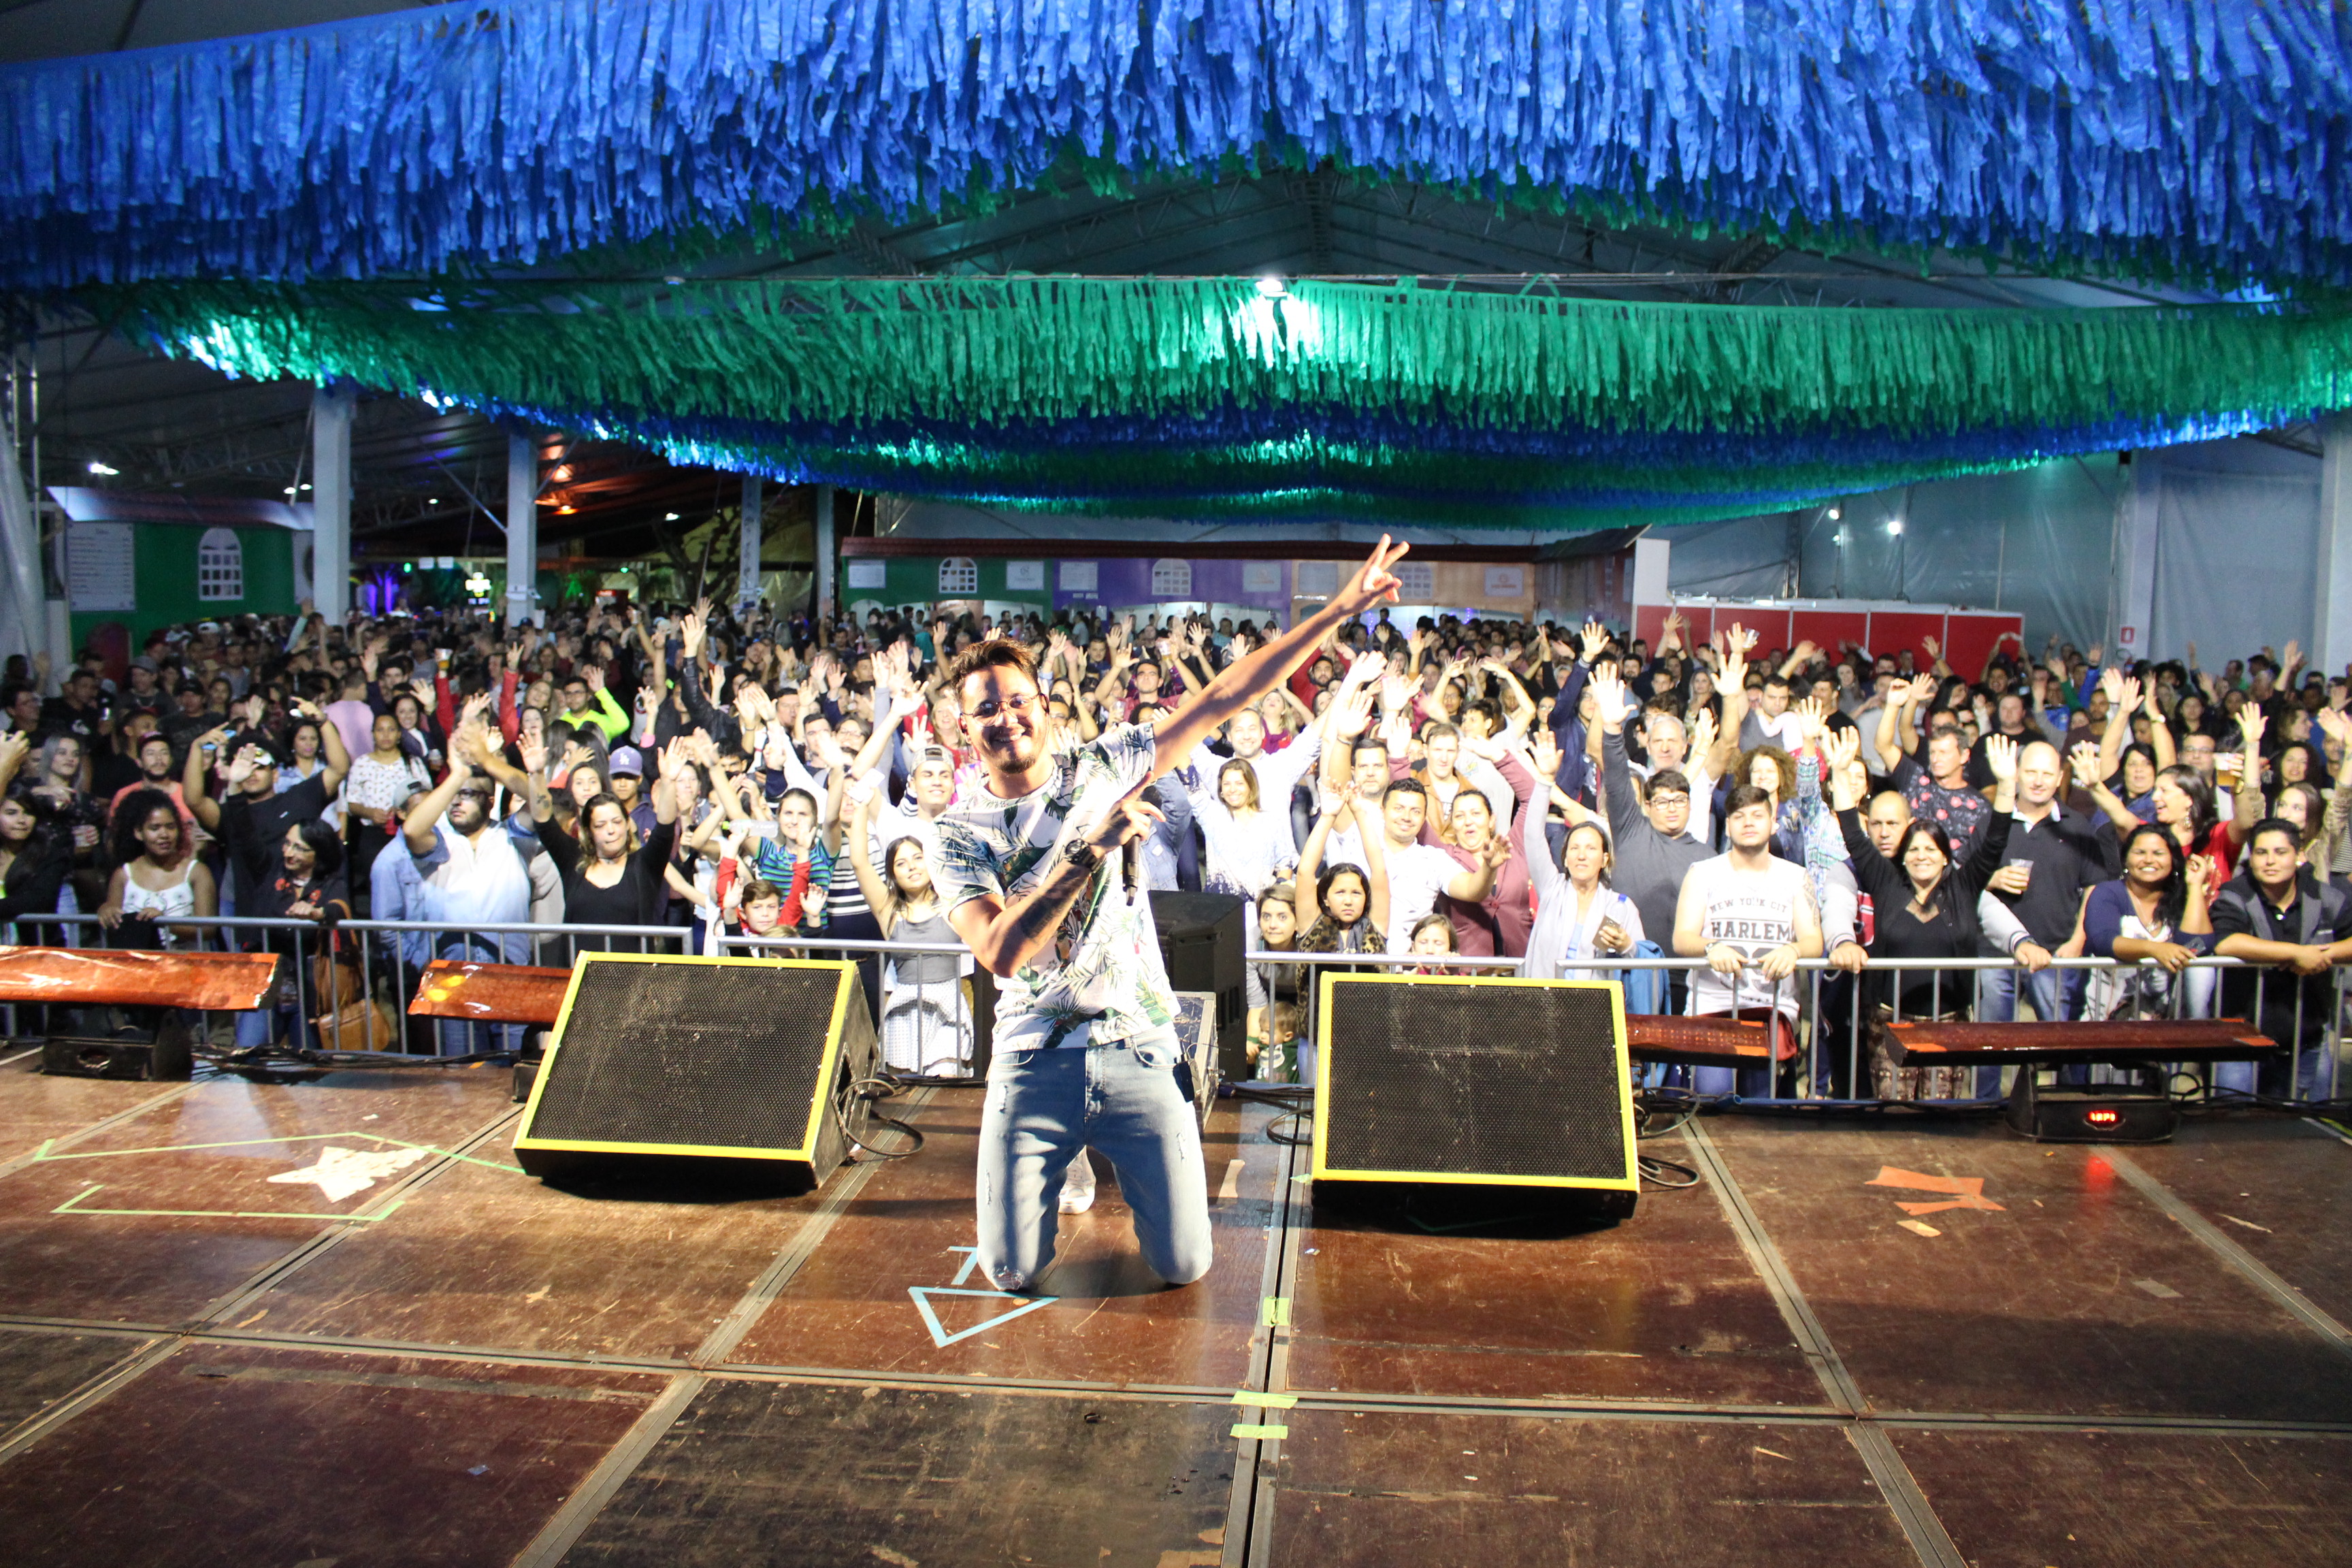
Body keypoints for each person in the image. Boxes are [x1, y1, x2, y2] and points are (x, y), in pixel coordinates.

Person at [934, 534, 1410, 1296]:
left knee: (1185, 1265)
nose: (1005, 718)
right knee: (1011, 1271)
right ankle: (1064, 1154)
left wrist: (1340, 613)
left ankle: (1103, 1146)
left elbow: (1226, 694)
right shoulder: (959, 834)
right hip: (1034, 1056)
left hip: (1138, 1046)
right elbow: (1002, 951)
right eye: (986, 709)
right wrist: (1088, 855)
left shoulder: (1106, 764)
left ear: (1046, 710)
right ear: (965, 729)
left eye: (1018, 702)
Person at [1829, 731, 2019, 1100]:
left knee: (1939, 1115)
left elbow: (1995, 841)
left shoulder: (1963, 888)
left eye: (1931, 849)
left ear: (1947, 856)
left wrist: (2008, 785)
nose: (1921, 856)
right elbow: (1852, 831)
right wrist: (1839, 774)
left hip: (1949, 1025)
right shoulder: (1886, 882)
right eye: (1913, 849)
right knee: (1893, 1115)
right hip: (1889, 1023)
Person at [1672, 783, 1825, 1093]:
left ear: (1773, 823)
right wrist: (1711, 946)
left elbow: (1814, 940)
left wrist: (1794, 951)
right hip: (1713, 1006)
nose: (1749, 822)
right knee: (1712, 1096)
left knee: (1762, 1107)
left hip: (1772, 1009)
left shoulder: (1796, 877)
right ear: (1728, 825)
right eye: (1739, 816)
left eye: (1757, 815)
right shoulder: (1702, 873)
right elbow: (1682, 937)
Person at [402, 721, 540, 1054]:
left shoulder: (512, 837)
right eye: (455, 797)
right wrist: (457, 776)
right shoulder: (440, 844)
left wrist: (491, 762)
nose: (457, 803)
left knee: (511, 1064)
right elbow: (411, 830)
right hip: (454, 976)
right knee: (464, 1073)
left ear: (490, 800)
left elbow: (541, 805)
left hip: (510, 973)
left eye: (468, 795)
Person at [2209, 819, 2352, 1098]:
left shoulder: (2325, 896)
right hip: (2241, 1037)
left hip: (2308, 1035)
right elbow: (2227, 942)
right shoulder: (2235, 894)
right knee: (2232, 1125)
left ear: (2299, 857)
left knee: (2310, 1131)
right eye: (2261, 853)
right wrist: (2296, 953)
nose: (2270, 861)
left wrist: (2325, 954)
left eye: (2280, 852)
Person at [845, 774, 973, 1078]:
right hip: (904, 1007)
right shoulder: (889, 910)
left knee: (945, 1079)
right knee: (902, 1091)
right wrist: (862, 804)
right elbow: (860, 862)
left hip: (948, 1004)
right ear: (893, 874)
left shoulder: (951, 899)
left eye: (918, 858)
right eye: (902, 863)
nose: (912, 866)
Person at [525, 731, 681, 951]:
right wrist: (536, 774)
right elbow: (544, 822)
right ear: (589, 832)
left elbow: (664, 828)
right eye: (600, 825)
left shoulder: (644, 865)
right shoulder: (574, 861)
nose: (611, 831)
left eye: (617, 822)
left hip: (632, 981)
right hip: (580, 977)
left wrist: (669, 781)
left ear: (628, 824)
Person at [2072, 825, 2217, 1028]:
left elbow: (2199, 946)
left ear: (2173, 860)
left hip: (2161, 1025)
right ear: (2125, 859)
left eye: (2158, 853)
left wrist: (2193, 887)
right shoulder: (2108, 892)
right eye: (2140, 853)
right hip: (2101, 1020)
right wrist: (2154, 949)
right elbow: (2102, 940)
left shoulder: (2179, 898)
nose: (2149, 860)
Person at [95, 789, 216, 949]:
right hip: (139, 967)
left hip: (185, 965)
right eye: (155, 828)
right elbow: (114, 920)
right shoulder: (124, 875)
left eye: (170, 827)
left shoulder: (197, 872)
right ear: (139, 833)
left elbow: (207, 929)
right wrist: (106, 911)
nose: (164, 834)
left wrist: (163, 922)